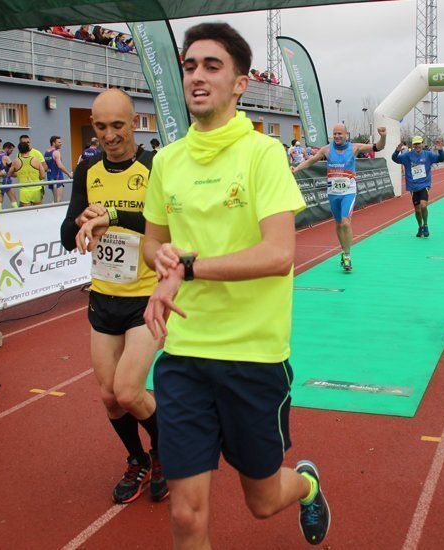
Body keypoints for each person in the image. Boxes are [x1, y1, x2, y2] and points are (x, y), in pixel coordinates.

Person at [140, 22, 330, 547]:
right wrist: (162, 261)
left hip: (254, 357)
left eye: (212, 66)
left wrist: (189, 268)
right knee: (185, 516)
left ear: (241, 83)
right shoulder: (166, 161)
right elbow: (151, 246)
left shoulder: (262, 155)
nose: (197, 76)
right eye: (189, 66)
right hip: (183, 356)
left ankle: (308, 485)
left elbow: (278, 254)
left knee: (263, 501)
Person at [60, 88, 168, 505]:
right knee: (109, 397)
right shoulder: (88, 168)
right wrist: (84, 221)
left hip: (146, 296)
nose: (109, 135)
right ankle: (138, 459)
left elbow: (171, 226)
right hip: (104, 296)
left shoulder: (155, 166)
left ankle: (165, 452)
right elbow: (67, 234)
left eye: (117, 125)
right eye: (100, 126)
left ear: (135, 122)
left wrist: (115, 216)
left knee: (128, 391)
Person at [293, 123, 386, 272]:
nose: (336, 136)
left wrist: (383, 136)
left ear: (346, 134)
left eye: (339, 134)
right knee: (338, 224)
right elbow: (311, 161)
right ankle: (344, 251)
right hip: (333, 193)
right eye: (334, 134)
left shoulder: (354, 147)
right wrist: (296, 169)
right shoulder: (327, 149)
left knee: (345, 222)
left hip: (349, 191)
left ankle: (347, 255)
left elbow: (378, 147)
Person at [392, 136, 444, 237]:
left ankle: (425, 225)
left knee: (423, 205)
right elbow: (395, 159)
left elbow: (441, 159)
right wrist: (396, 151)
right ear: (413, 145)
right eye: (415, 144)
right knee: (417, 210)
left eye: (419, 143)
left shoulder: (428, 155)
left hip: (424, 184)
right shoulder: (407, 156)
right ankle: (420, 227)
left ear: (422, 144)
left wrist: (440, 150)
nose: (417, 146)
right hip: (413, 186)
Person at [7, 141, 46, 206]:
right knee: (38, 212)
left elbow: (9, 174)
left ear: (19, 150)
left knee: (27, 213)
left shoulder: (16, 161)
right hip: (37, 189)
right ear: (28, 149)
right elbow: (43, 176)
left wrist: (18, 174)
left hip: (24, 191)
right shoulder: (36, 160)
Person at [44, 135, 73, 202]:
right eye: (59, 142)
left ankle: (52, 211)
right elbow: (60, 165)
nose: (61, 143)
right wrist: (69, 174)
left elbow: (46, 166)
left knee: (55, 198)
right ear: (54, 143)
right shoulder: (56, 152)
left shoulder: (46, 152)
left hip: (50, 177)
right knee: (58, 200)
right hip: (57, 178)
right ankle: (52, 212)